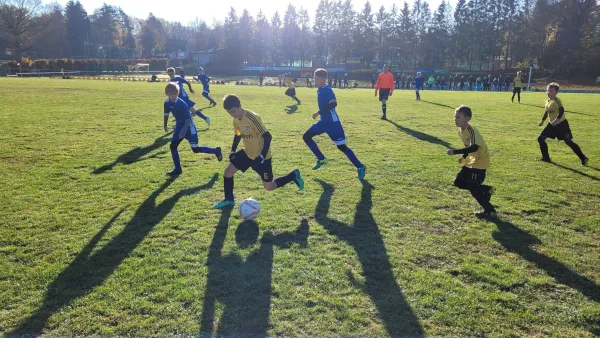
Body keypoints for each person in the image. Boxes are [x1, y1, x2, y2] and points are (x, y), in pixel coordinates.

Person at [213, 94, 304, 209]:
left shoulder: (253, 117)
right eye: (229, 113)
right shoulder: (236, 120)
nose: (232, 114)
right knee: (228, 172)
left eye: (233, 111)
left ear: (239, 106)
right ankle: (229, 199)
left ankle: (293, 175)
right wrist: (232, 150)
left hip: (262, 156)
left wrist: (261, 156)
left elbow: (268, 136)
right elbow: (238, 135)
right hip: (247, 153)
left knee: (269, 186)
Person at [302, 68, 366, 180]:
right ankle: (321, 159)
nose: (314, 81)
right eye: (314, 78)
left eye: (316, 79)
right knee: (306, 136)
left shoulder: (327, 90)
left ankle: (360, 167)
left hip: (332, 123)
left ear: (323, 78)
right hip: (323, 122)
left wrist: (318, 112)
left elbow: (334, 103)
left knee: (342, 147)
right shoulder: (320, 89)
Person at [446, 105, 497, 219]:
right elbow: (468, 147)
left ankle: (490, 211)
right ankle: (486, 189)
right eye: (455, 117)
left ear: (467, 119)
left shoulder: (471, 130)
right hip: (471, 160)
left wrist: (455, 152)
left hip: (480, 161)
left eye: (458, 117)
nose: (455, 119)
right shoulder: (461, 131)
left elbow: (474, 148)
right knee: (458, 182)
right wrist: (464, 157)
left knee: (474, 189)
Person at [163, 83, 222, 176]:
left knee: (195, 149)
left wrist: (183, 131)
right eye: (170, 94)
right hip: (179, 127)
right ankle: (178, 169)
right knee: (173, 146)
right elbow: (166, 113)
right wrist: (165, 125)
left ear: (177, 93)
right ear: (167, 94)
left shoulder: (182, 104)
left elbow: (188, 119)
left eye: (174, 94)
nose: (172, 96)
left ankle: (216, 151)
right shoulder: (166, 102)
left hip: (189, 127)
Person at [537, 82, 589, 166]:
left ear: (556, 92)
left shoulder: (557, 100)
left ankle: (583, 158)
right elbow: (547, 112)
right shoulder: (548, 101)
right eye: (548, 90)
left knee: (568, 142)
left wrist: (557, 120)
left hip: (561, 124)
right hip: (552, 124)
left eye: (551, 91)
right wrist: (542, 120)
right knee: (540, 139)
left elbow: (561, 110)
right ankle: (546, 158)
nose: (548, 92)